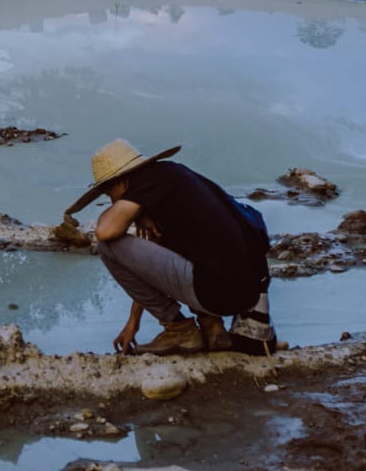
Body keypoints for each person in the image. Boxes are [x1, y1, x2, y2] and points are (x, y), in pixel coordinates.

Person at [64, 138, 276, 356]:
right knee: (193, 251)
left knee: (108, 248)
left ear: (119, 182)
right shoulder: (173, 177)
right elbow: (151, 269)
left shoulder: (148, 182)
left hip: (218, 294)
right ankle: (213, 330)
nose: (112, 202)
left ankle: (180, 330)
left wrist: (134, 214)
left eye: (109, 195)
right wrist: (132, 322)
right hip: (245, 293)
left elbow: (105, 231)